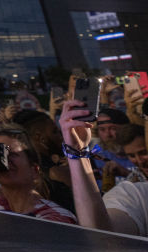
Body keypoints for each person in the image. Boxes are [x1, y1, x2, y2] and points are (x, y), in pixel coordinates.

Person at [60, 98, 148, 237]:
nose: (139, 161)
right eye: (102, 129)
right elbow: (101, 233)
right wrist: (77, 152)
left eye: (113, 128)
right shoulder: (137, 194)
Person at [0, 129, 76, 224]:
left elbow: (7, 241)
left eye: (12, 154)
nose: (4, 159)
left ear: (34, 171)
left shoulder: (55, 216)